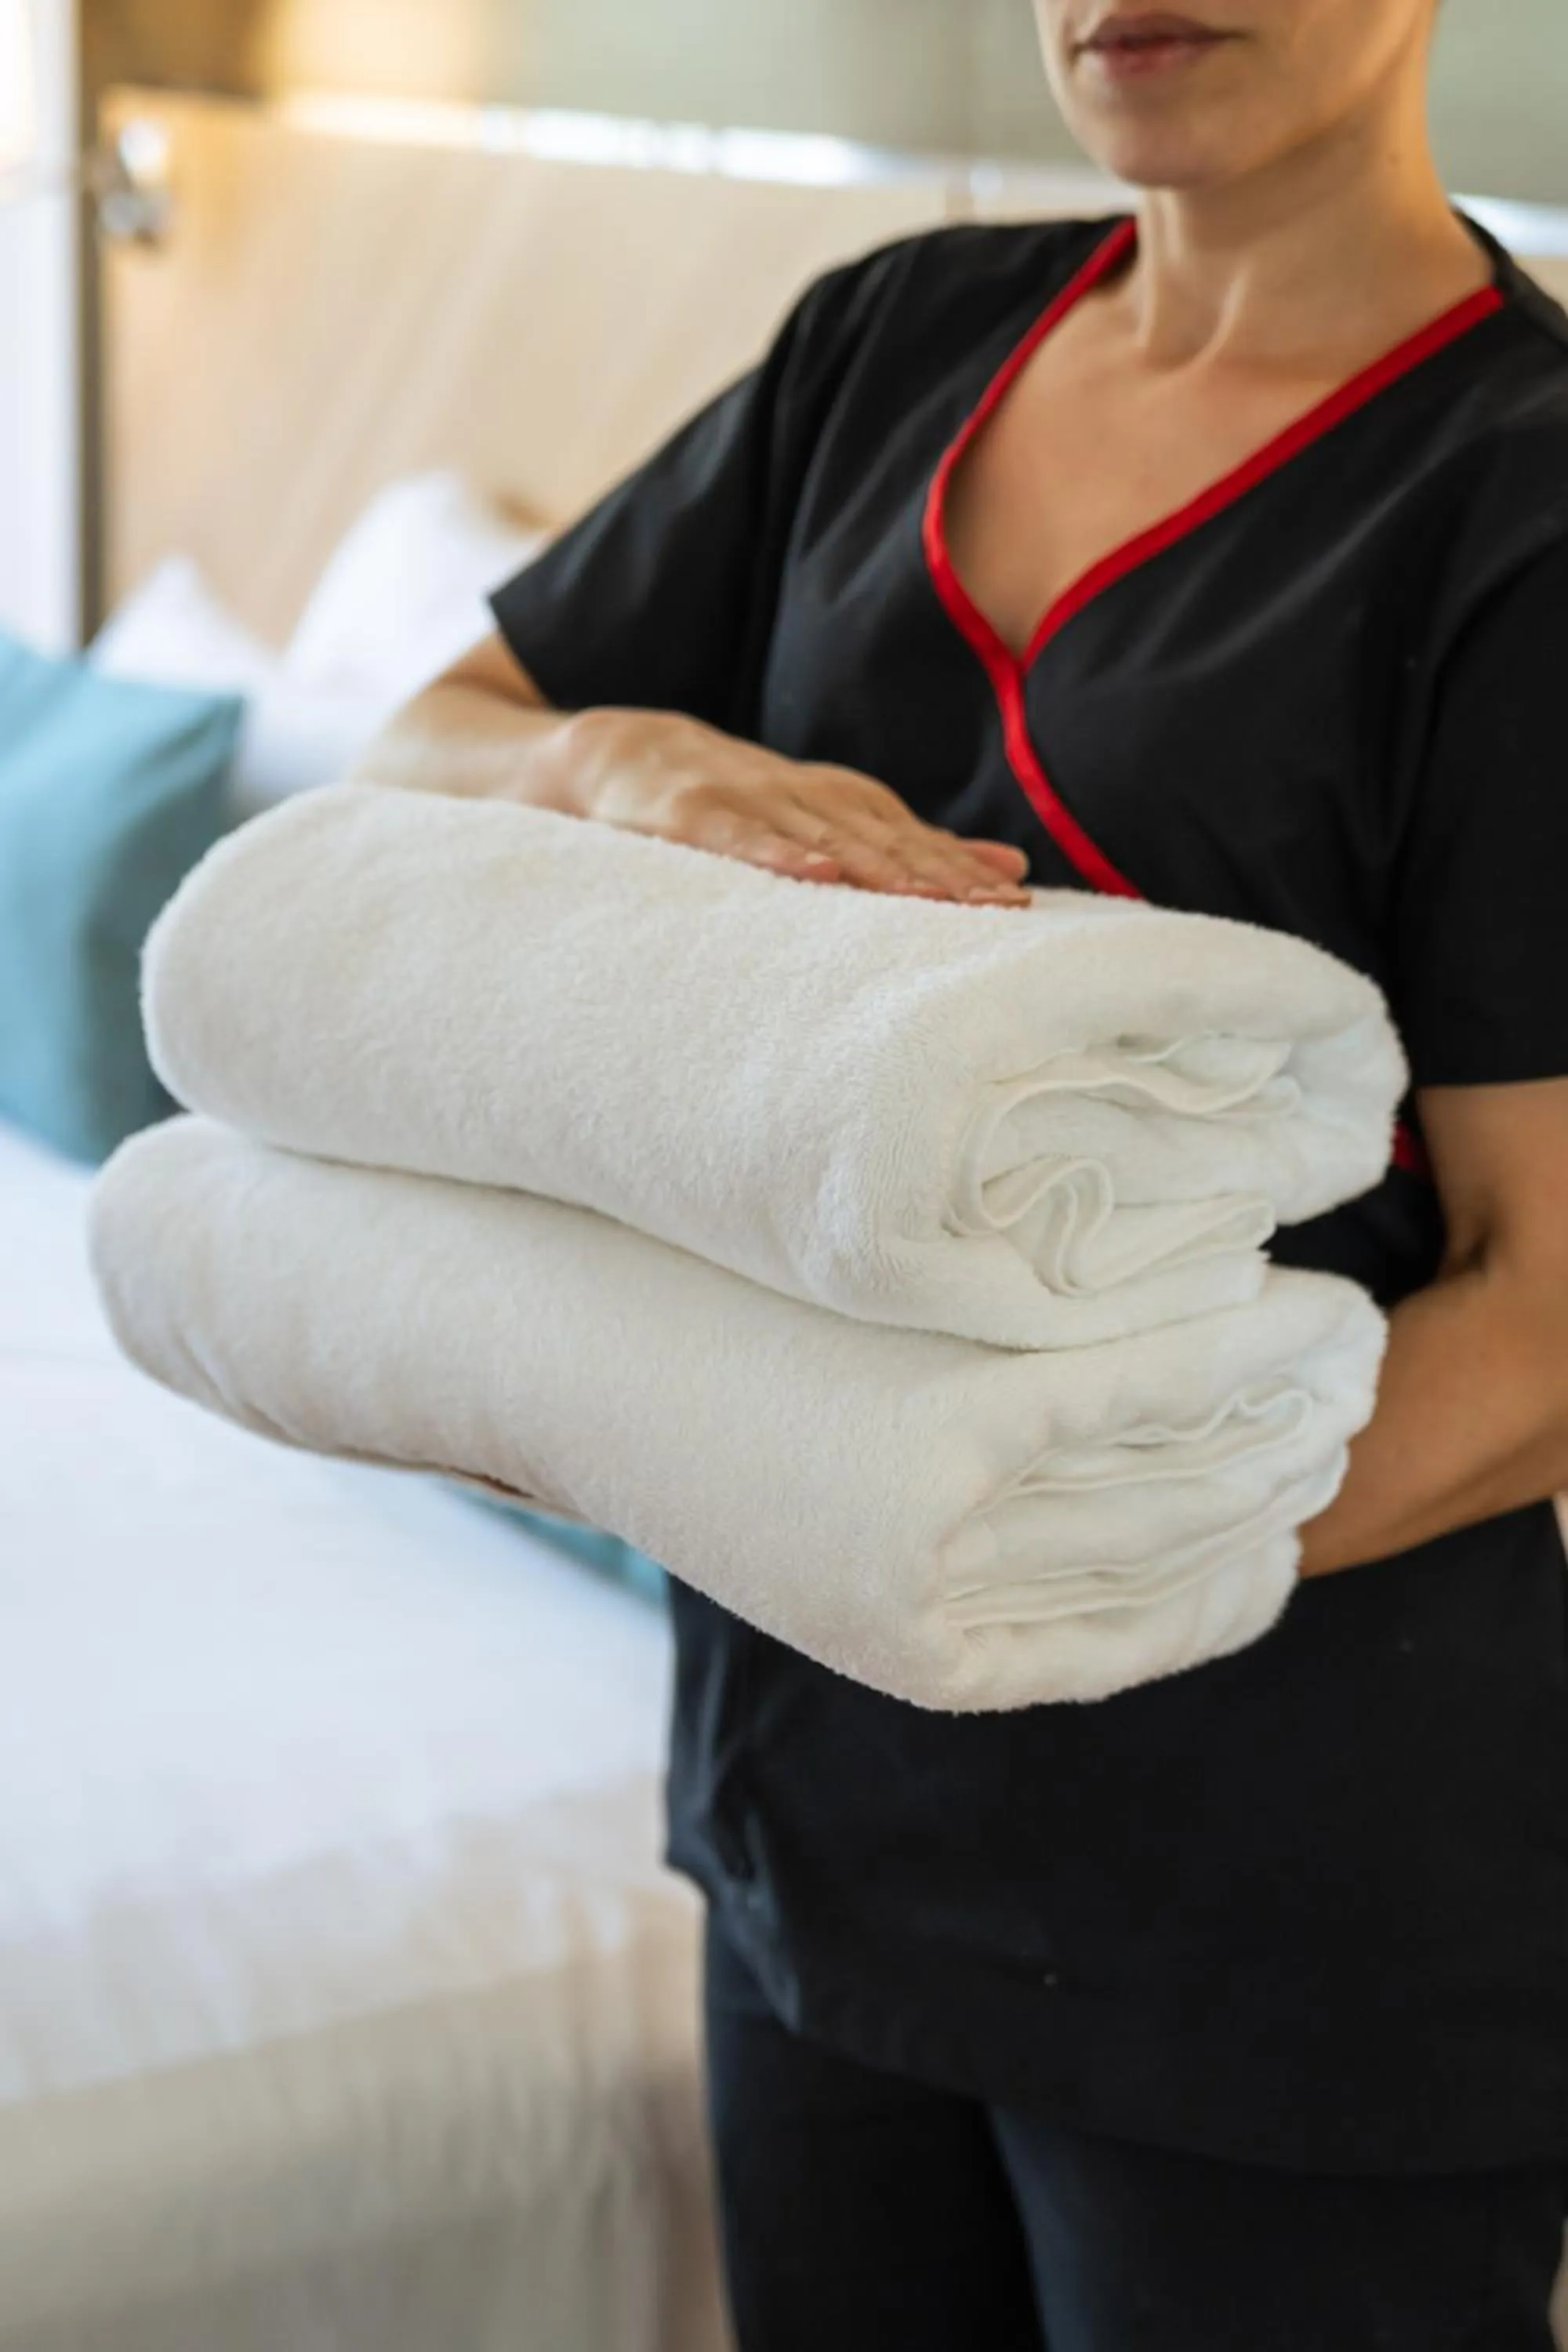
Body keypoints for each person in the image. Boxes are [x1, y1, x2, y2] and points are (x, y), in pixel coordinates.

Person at [365, 2, 1568, 2342]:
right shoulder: (888, 344)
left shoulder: (1521, 492)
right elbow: (426, 745)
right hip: (816, 1809)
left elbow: (1550, 1309)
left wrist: (992, 1555)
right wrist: (621, 770)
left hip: (1283, 1904)